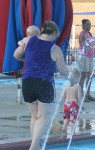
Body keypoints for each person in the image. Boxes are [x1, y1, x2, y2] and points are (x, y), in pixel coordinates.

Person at [14, 20, 69, 150]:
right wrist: (73, 75)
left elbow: (16, 55)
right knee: (44, 116)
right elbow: (64, 72)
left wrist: (28, 60)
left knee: (35, 116)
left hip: (27, 82)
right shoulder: (54, 49)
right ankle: (34, 146)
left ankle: (36, 145)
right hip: (44, 83)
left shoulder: (29, 40)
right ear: (54, 33)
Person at [77, 19, 95, 102]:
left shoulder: (89, 33)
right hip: (83, 57)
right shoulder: (82, 34)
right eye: (88, 24)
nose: (89, 26)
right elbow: (83, 45)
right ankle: (81, 95)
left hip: (89, 57)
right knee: (83, 75)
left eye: (90, 24)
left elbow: (91, 43)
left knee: (89, 75)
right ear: (83, 25)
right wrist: (92, 43)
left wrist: (94, 42)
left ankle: (88, 94)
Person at [61, 67, 82, 138]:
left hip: (66, 104)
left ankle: (64, 127)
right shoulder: (78, 87)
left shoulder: (66, 86)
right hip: (73, 104)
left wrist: (65, 102)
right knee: (73, 119)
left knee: (66, 117)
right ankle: (73, 132)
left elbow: (63, 96)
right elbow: (79, 97)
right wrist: (80, 104)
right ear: (77, 78)